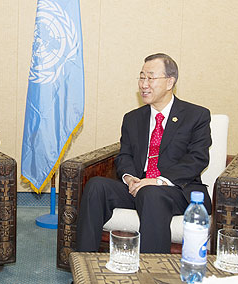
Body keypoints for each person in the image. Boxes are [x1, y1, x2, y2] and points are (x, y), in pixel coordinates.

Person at [76, 53, 212, 253]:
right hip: (138, 186)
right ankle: (83, 265)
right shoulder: (132, 118)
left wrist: (157, 181)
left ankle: (152, 273)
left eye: (150, 77)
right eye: (141, 77)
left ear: (169, 82)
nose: (144, 84)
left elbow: (197, 159)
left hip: (177, 190)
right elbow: (125, 155)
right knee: (96, 186)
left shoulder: (196, 115)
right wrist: (130, 178)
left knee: (151, 193)